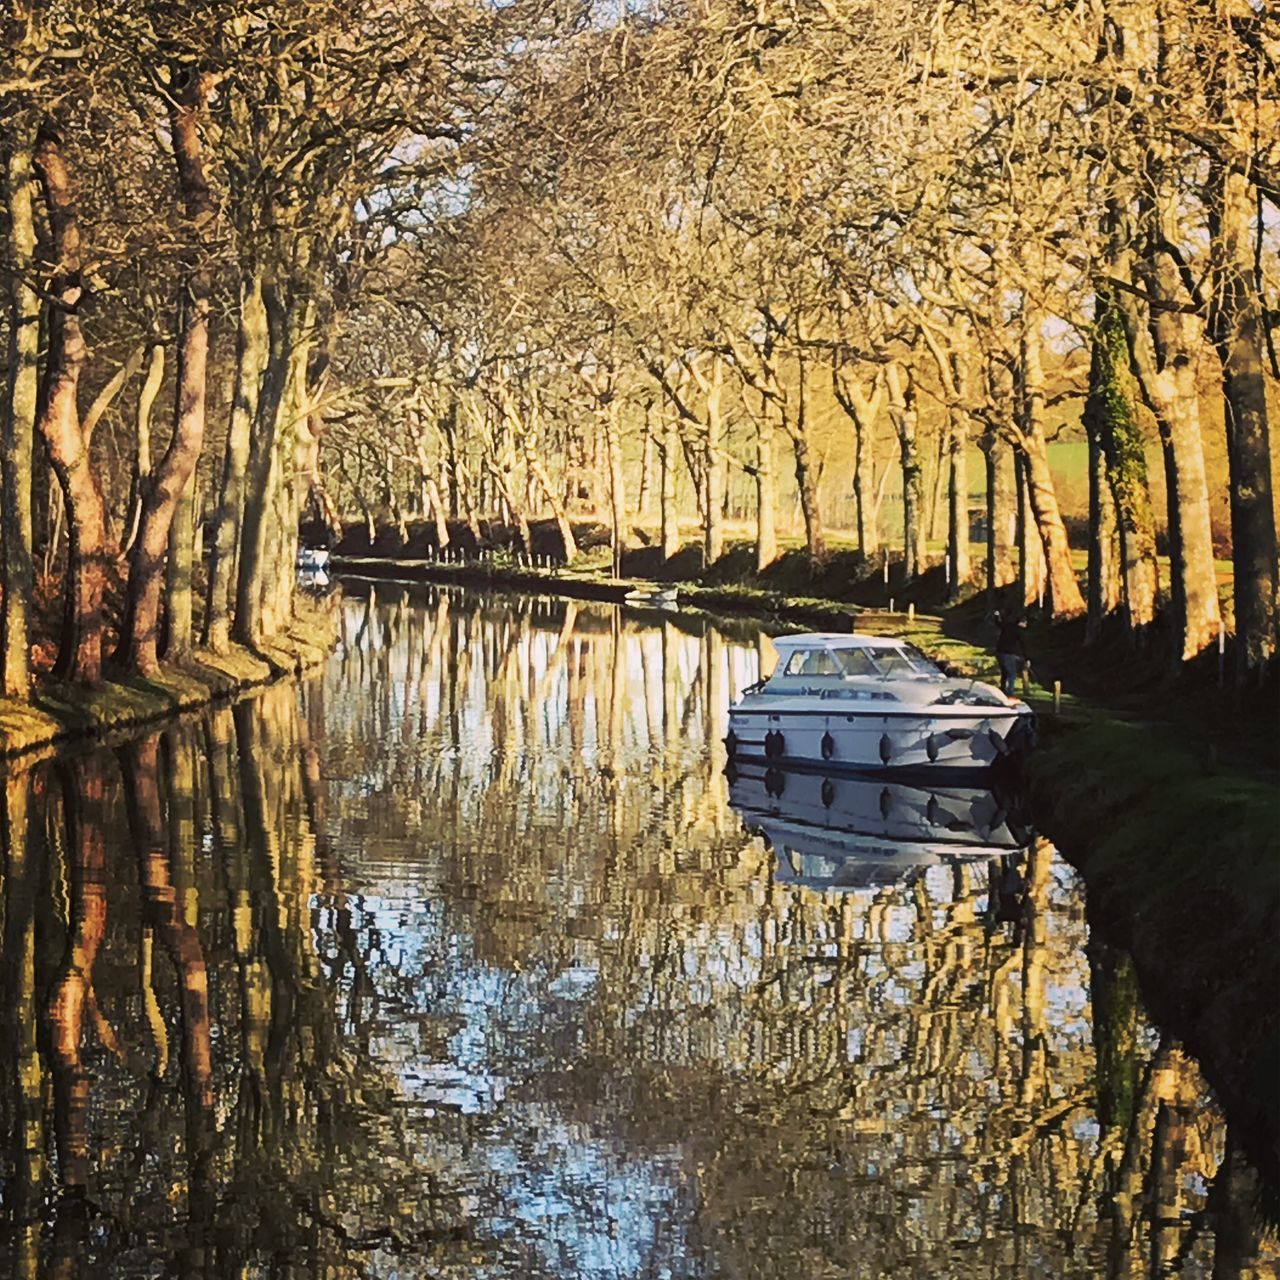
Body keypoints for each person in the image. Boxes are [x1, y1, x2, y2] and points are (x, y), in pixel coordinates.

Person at [994, 611, 1028, 696]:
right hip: (1008, 654)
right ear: (1022, 622)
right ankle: (1010, 693)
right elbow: (1023, 645)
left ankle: (1002, 689)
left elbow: (998, 623)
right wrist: (1026, 657)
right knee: (1012, 674)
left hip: (999, 652)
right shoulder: (1019, 631)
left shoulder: (1007, 626)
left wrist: (996, 616)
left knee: (1004, 672)